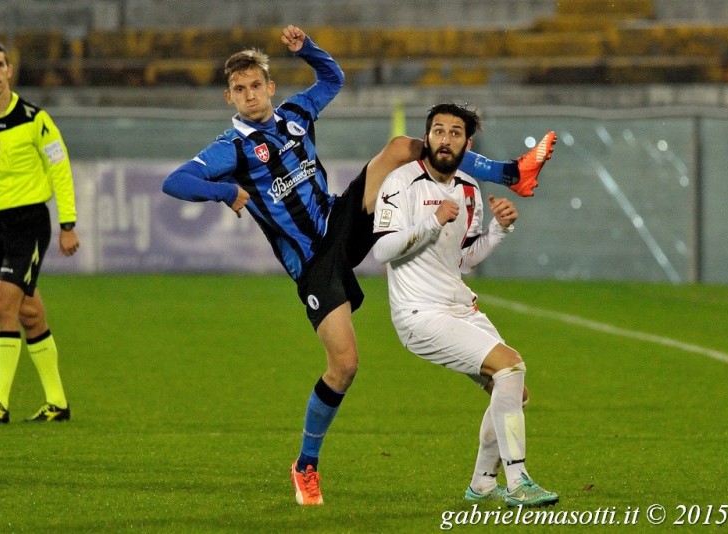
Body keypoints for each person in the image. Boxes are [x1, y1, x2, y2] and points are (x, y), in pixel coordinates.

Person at [161, 25, 555, 506]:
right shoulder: (231, 148)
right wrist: (225, 190)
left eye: (255, 85)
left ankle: (512, 172)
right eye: (239, 90)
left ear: (270, 87)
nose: (249, 95)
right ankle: (306, 464)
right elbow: (176, 182)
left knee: (397, 148)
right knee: (344, 365)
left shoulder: (295, 115)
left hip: (339, 221)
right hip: (312, 263)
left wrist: (307, 50)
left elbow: (332, 78)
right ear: (230, 97)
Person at [372, 102, 558, 507]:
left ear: (466, 143)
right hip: (418, 313)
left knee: (513, 391)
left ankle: (482, 484)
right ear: (427, 137)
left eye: (455, 133)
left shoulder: (469, 189)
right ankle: (519, 481)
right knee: (509, 365)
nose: (445, 138)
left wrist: (500, 229)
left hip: (458, 306)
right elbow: (382, 251)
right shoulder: (400, 183)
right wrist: (431, 221)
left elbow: (464, 259)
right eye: (438, 130)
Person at [0, 40, 79, 424]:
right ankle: (56, 402)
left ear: (10, 70)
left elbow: (60, 168)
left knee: (2, 305)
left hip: (29, 222)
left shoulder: (34, 119)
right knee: (29, 313)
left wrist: (67, 224)